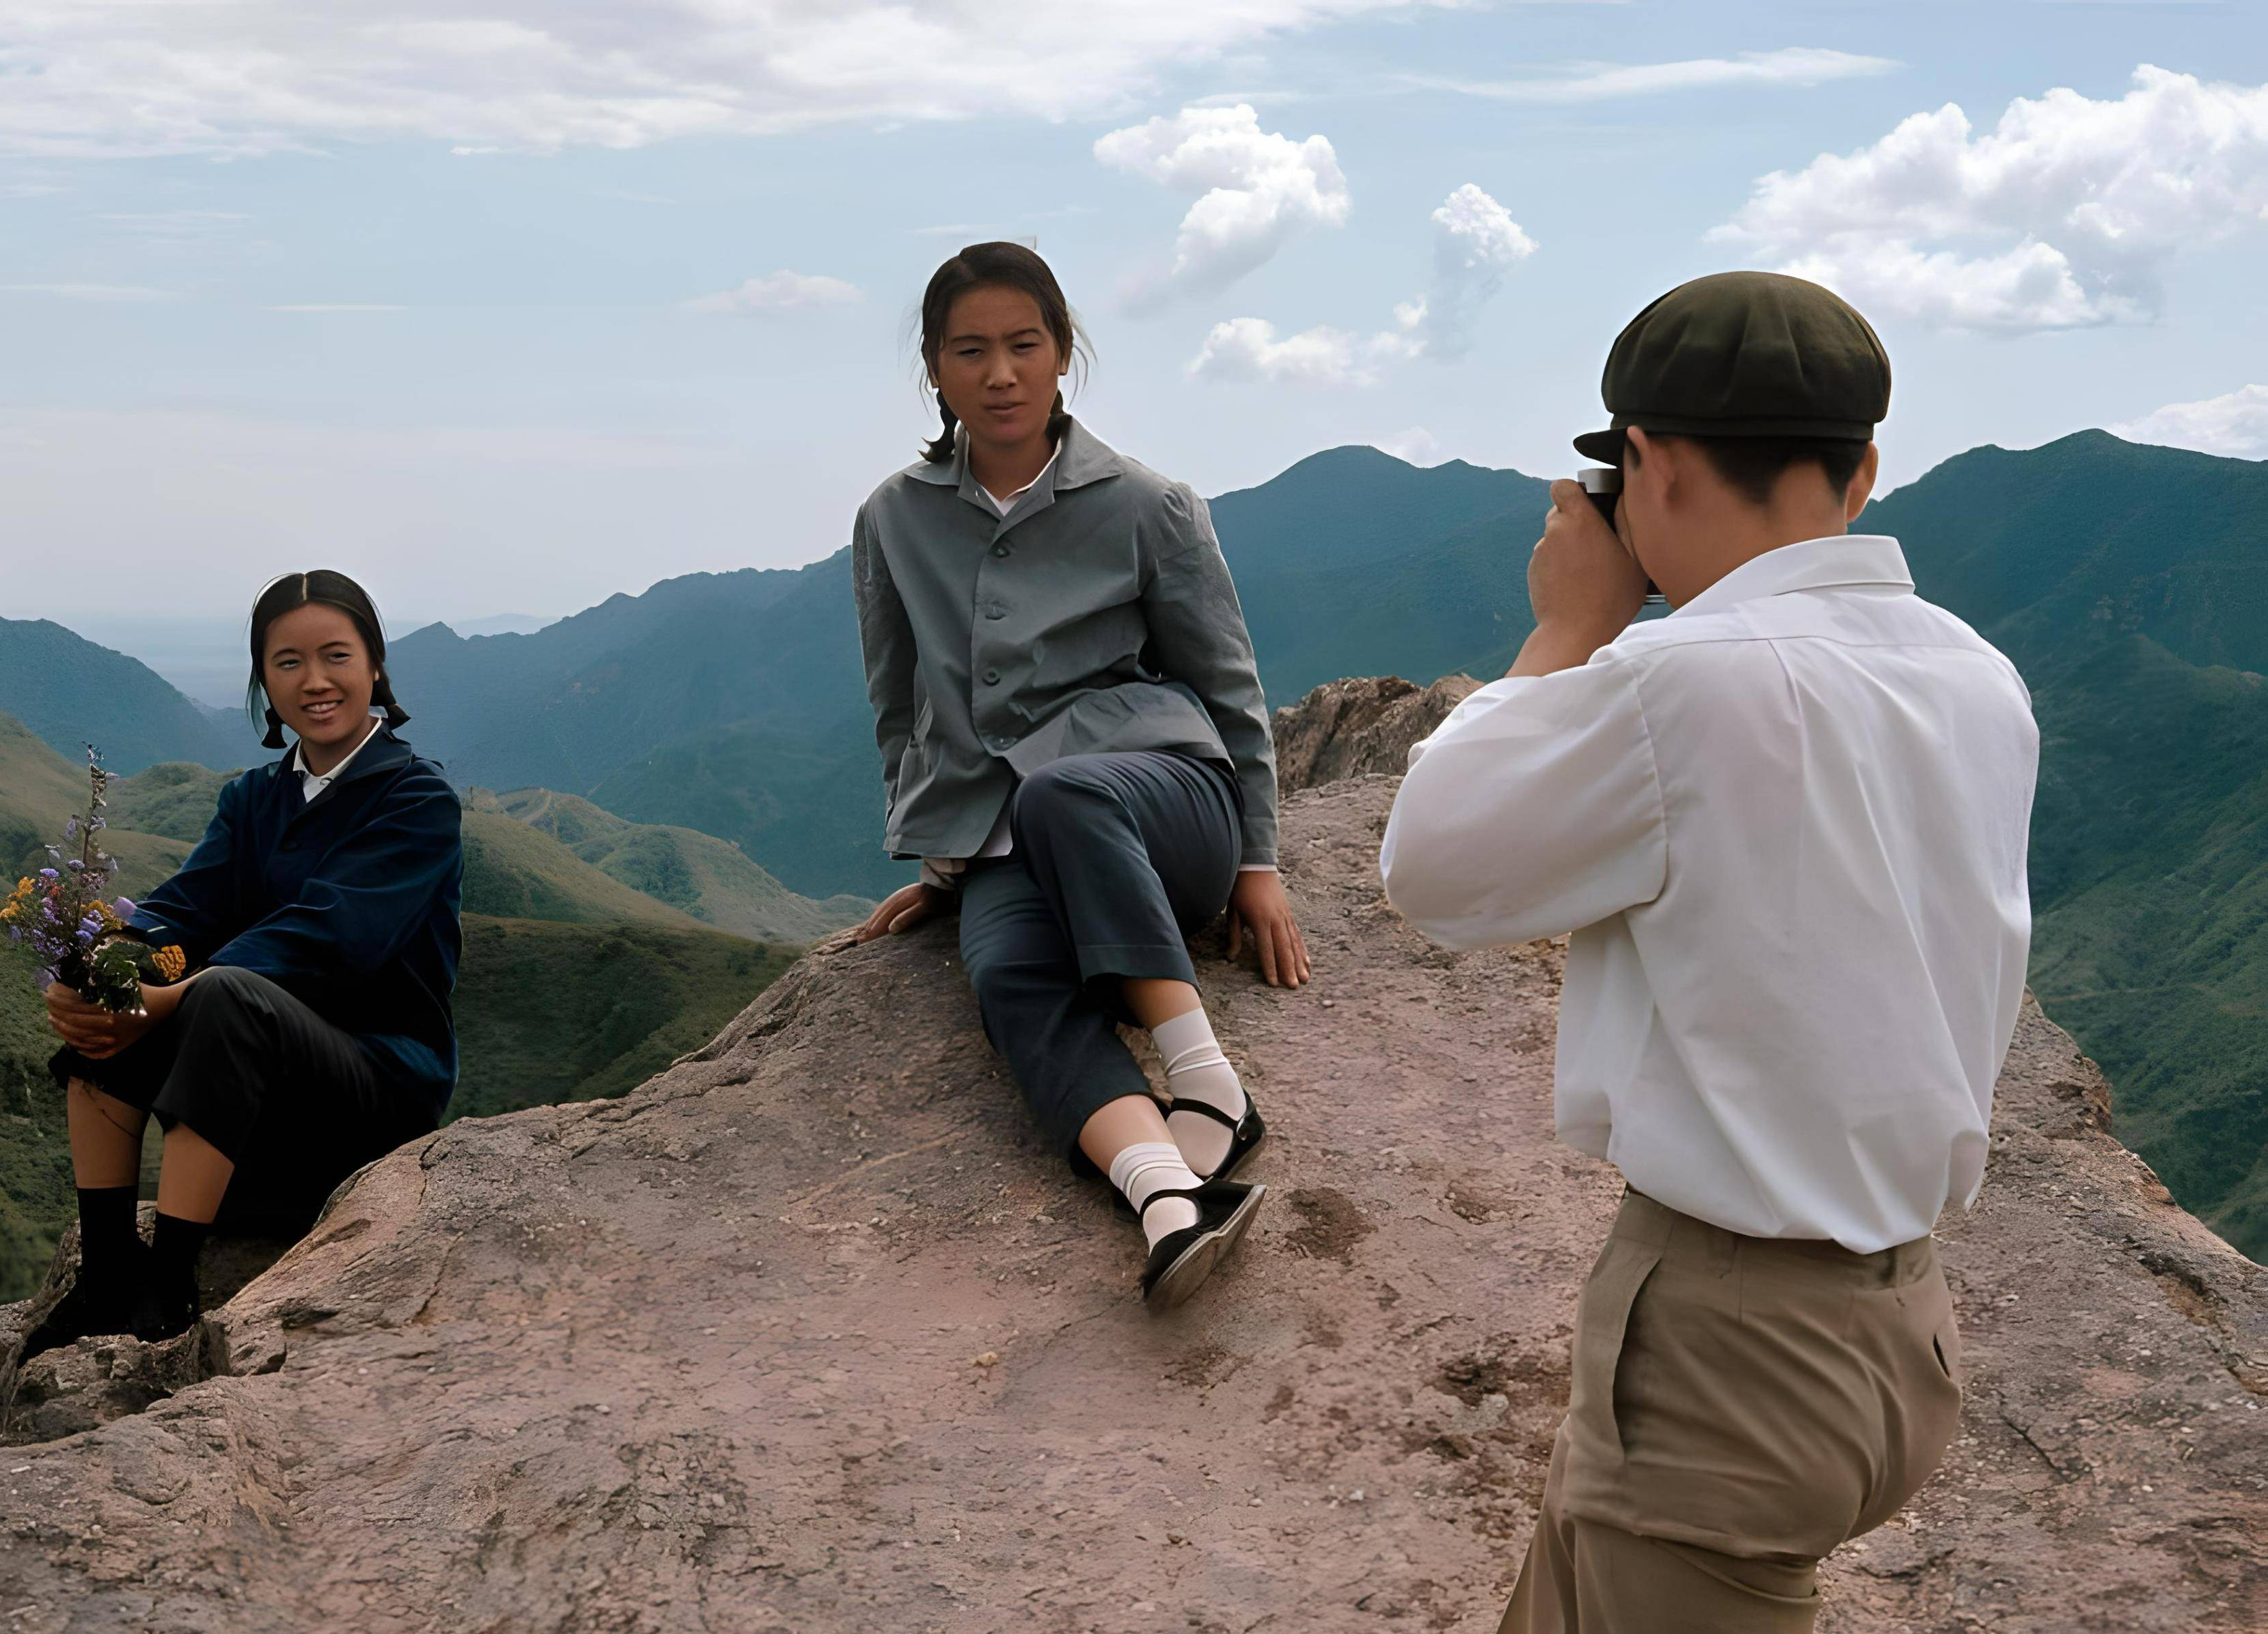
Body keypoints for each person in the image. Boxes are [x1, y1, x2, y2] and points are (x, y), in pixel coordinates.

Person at [1377, 272, 2039, 1631]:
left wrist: (1570, 622)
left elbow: (1434, 865)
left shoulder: (1679, 680)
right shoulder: (1975, 671)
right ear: (1862, 469)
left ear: (1649, 463)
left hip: (1727, 1348)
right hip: (1892, 1322)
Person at [848, 241, 1312, 1310]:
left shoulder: (1148, 503)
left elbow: (1228, 687)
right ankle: (1166, 1197)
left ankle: (1206, 1079)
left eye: (1024, 345)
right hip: (1011, 833)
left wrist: (1256, 859)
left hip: (1161, 807)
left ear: (1064, 355)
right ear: (934, 368)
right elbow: (898, 701)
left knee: (1067, 791)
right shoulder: (892, 519)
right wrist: (946, 847)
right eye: (971, 351)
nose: (1000, 373)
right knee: (1004, 968)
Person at [20, 569, 464, 1360]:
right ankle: (109, 1270)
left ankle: (170, 1280)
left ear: (374, 666)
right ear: (264, 678)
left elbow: (330, 936)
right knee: (105, 998)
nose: (315, 680)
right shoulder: (253, 799)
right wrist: (102, 963)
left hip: (374, 1093)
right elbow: (184, 908)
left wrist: (174, 997)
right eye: (287, 662)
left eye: (335, 655)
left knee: (225, 992)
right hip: (259, 1095)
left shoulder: (415, 799)